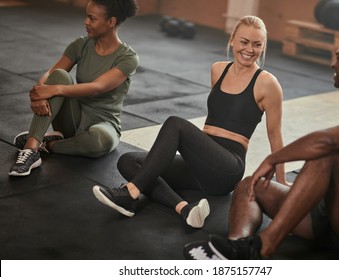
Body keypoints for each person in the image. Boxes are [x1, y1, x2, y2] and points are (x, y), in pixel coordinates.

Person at [183, 34, 339, 259]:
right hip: (329, 217)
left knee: (327, 155)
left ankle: (265, 245)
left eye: (338, 57)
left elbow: (328, 142)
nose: (333, 63)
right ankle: (236, 250)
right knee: (251, 185)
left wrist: (274, 158)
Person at [92, 15, 289, 229]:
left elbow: (275, 135)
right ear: (232, 40)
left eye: (257, 44)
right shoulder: (218, 70)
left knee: (176, 124)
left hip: (227, 168)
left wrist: (282, 182)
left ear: (263, 47)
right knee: (129, 162)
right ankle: (185, 208)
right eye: (244, 42)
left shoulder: (268, 84)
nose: (249, 49)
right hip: (199, 162)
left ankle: (131, 193)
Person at [9, 0, 139, 177]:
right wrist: (39, 92)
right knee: (60, 75)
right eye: (87, 16)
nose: (86, 22)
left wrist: (54, 90)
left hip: (103, 124)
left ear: (111, 22)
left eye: (92, 18)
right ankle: (31, 148)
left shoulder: (128, 58)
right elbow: (51, 74)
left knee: (98, 142)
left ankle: (48, 144)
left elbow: (97, 87)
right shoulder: (81, 44)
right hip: (72, 118)